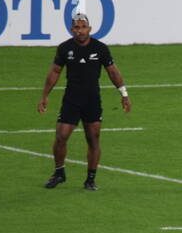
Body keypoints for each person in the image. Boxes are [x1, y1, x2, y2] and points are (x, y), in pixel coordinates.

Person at [39, 14, 129, 191]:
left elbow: (112, 71)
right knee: (61, 136)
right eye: (77, 28)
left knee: (93, 139)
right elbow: (55, 72)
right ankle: (59, 173)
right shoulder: (65, 48)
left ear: (90, 28)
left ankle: (90, 179)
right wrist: (45, 96)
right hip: (71, 100)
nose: (80, 31)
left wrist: (123, 93)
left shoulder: (100, 48)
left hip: (92, 100)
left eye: (83, 27)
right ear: (72, 30)